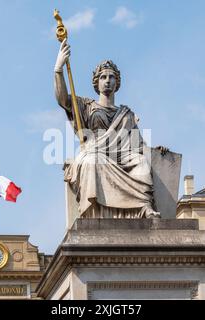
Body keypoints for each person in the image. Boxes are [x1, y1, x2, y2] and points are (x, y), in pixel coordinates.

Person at [54, 39, 168, 218]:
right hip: (94, 152)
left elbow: (138, 145)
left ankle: (144, 207)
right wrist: (59, 69)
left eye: (111, 77)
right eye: (103, 77)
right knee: (93, 160)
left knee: (141, 162)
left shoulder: (126, 113)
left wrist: (156, 150)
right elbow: (62, 100)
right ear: (96, 82)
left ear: (117, 82)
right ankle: (93, 213)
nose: (107, 81)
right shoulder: (85, 105)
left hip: (121, 155)